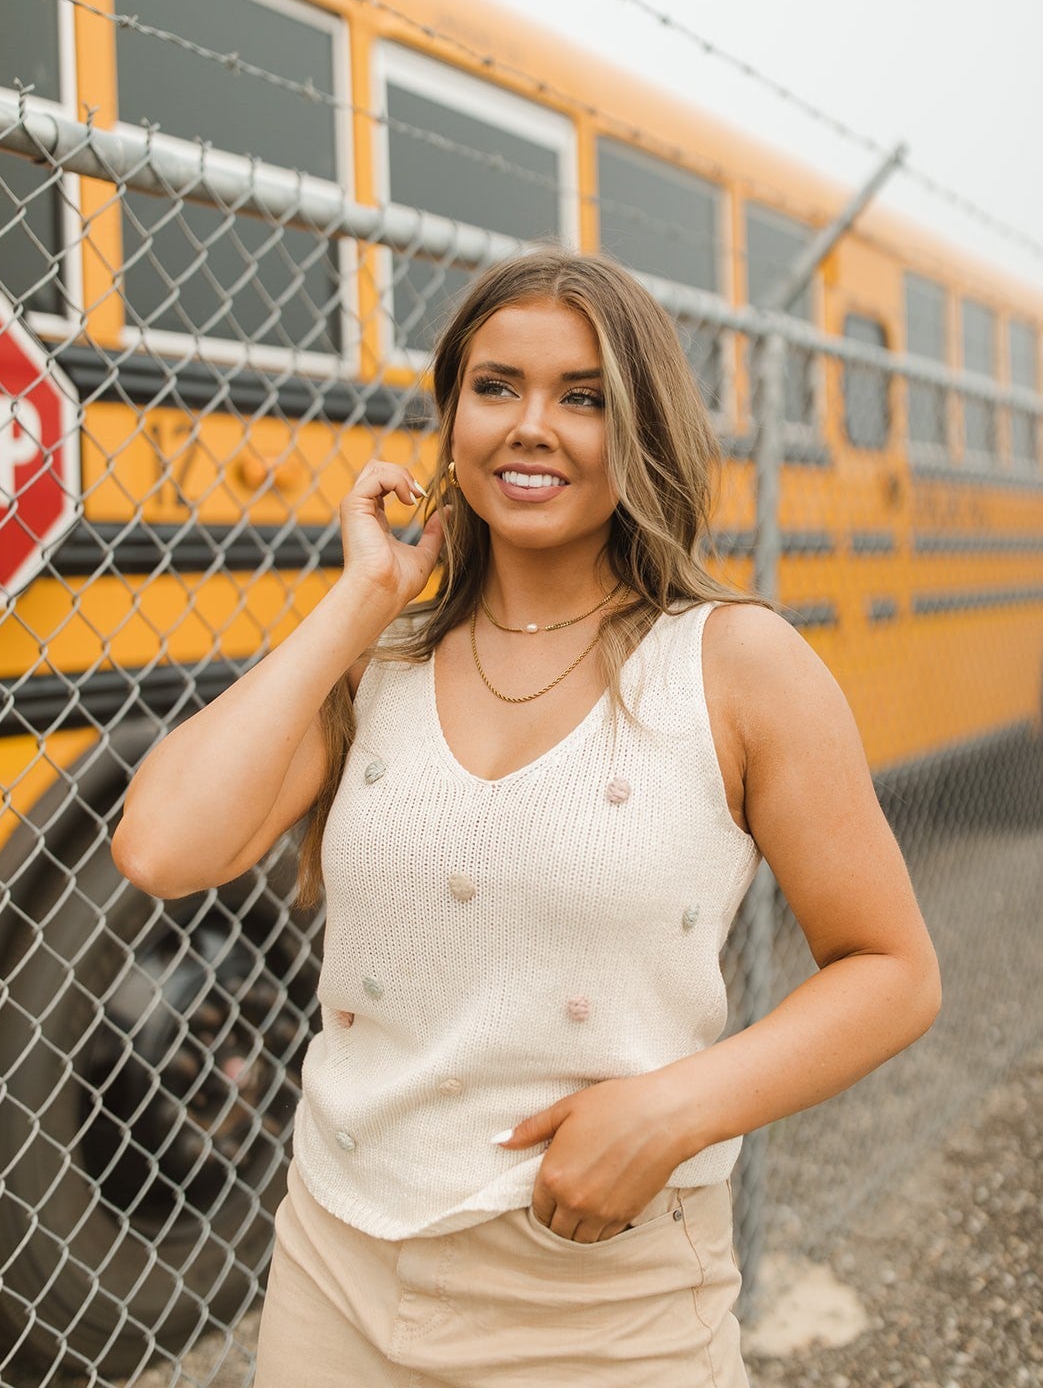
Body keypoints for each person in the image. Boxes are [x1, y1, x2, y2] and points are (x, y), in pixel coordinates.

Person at [113, 249, 941, 1387]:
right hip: (336, 1269)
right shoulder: (381, 662)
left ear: (640, 426)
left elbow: (892, 968)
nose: (530, 425)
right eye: (494, 387)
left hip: (602, 1303)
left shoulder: (737, 664)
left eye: (583, 396)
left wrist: (673, 1109)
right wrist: (360, 599)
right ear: (450, 417)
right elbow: (161, 846)